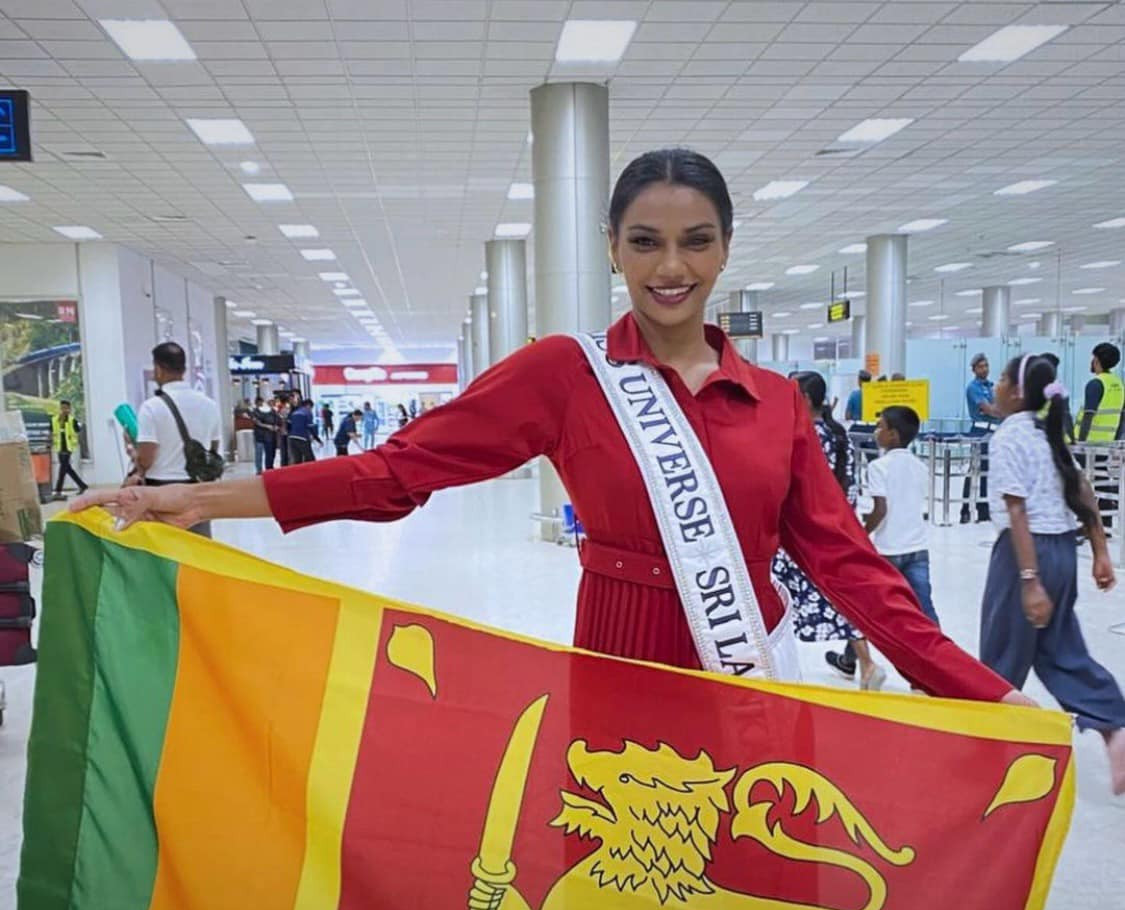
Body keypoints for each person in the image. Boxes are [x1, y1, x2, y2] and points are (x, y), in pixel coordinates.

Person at [74, 147, 1028, 710]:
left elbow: (851, 568)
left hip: (749, 673)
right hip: (618, 668)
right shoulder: (566, 374)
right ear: (612, 247)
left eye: (695, 241)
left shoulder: (775, 402)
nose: (670, 266)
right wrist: (191, 497)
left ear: (726, 249)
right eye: (645, 241)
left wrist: (984, 696)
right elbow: (393, 473)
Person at [981, 353, 1125, 793]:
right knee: (1059, 650)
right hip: (1063, 548)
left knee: (1003, 654)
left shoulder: (1009, 437)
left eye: (1003, 380)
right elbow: (1083, 491)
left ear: (1018, 391)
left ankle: (986, 751)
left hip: (1028, 553)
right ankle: (1115, 725)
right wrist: (1101, 551)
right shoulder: (1050, 431)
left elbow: (1017, 509)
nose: (997, 387)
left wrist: (1029, 580)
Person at [774, 372, 885, 691]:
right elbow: (848, 486)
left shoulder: (805, 436)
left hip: (800, 535)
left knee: (778, 597)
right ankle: (866, 663)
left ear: (805, 399)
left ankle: (780, 669)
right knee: (838, 598)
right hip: (834, 531)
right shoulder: (840, 436)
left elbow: (791, 486)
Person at [132, 341, 221, 538]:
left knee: (165, 550)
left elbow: (146, 458)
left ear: (158, 369)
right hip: (199, 488)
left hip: (162, 490)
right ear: (184, 368)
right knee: (198, 549)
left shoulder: (151, 407)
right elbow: (213, 447)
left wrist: (133, 454)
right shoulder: (209, 405)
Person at [863, 406, 938, 626]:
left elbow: (881, 510)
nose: (876, 432)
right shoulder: (920, 466)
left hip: (889, 549)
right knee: (925, 607)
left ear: (893, 434)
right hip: (918, 547)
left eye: (880, 427)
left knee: (873, 606)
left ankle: (855, 656)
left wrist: (863, 532)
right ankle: (939, 655)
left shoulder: (878, 467)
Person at [961, 353, 998, 524]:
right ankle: (965, 508)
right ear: (974, 369)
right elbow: (988, 409)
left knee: (988, 472)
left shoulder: (992, 386)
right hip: (980, 431)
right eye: (981, 366)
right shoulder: (973, 387)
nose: (984, 369)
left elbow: (996, 409)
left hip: (995, 432)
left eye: (986, 365)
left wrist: (995, 410)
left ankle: (984, 508)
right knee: (975, 470)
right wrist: (994, 410)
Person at [1075, 342, 1124, 444]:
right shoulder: (1120, 385)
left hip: (1089, 447)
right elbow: (1122, 418)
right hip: (1107, 447)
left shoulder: (1095, 384)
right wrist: (1116, 443)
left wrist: (1080, 444)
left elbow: (1088, 417)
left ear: (1097, 361)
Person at [51, 399, 87, 500]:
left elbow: (78, 430)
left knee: (62, 469)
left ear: (69, 409)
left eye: (66, 408)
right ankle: (82, 485)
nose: (64, 410)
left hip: (68, 448)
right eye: (62, 408)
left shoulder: (72, 420)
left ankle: (58, 490)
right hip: (59, 448)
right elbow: (52, 431)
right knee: (68, 469)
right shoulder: (55, 420)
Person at [287, 397, 320, 465]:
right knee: (310, 458)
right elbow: (311, 427)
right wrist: (317, 439)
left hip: (292, 437)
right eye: (311, 407)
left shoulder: (294, 413)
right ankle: (313, 474)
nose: (311, 409)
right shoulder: (307, 413)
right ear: (308, 405)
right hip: (302, 438)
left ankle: (298, 474)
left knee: (297, 459)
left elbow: (288, 424)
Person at [252, 397, 279, 475]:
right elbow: (257, 422)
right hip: (259, 436)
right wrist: (268, 426)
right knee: (259, 453)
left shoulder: (272, 411)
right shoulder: (255, 412)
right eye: (259, 403)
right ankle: (259, 470)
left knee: (270, 453)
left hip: (269, 436)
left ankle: (269, 468)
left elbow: (276, 420)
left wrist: (275, 426)